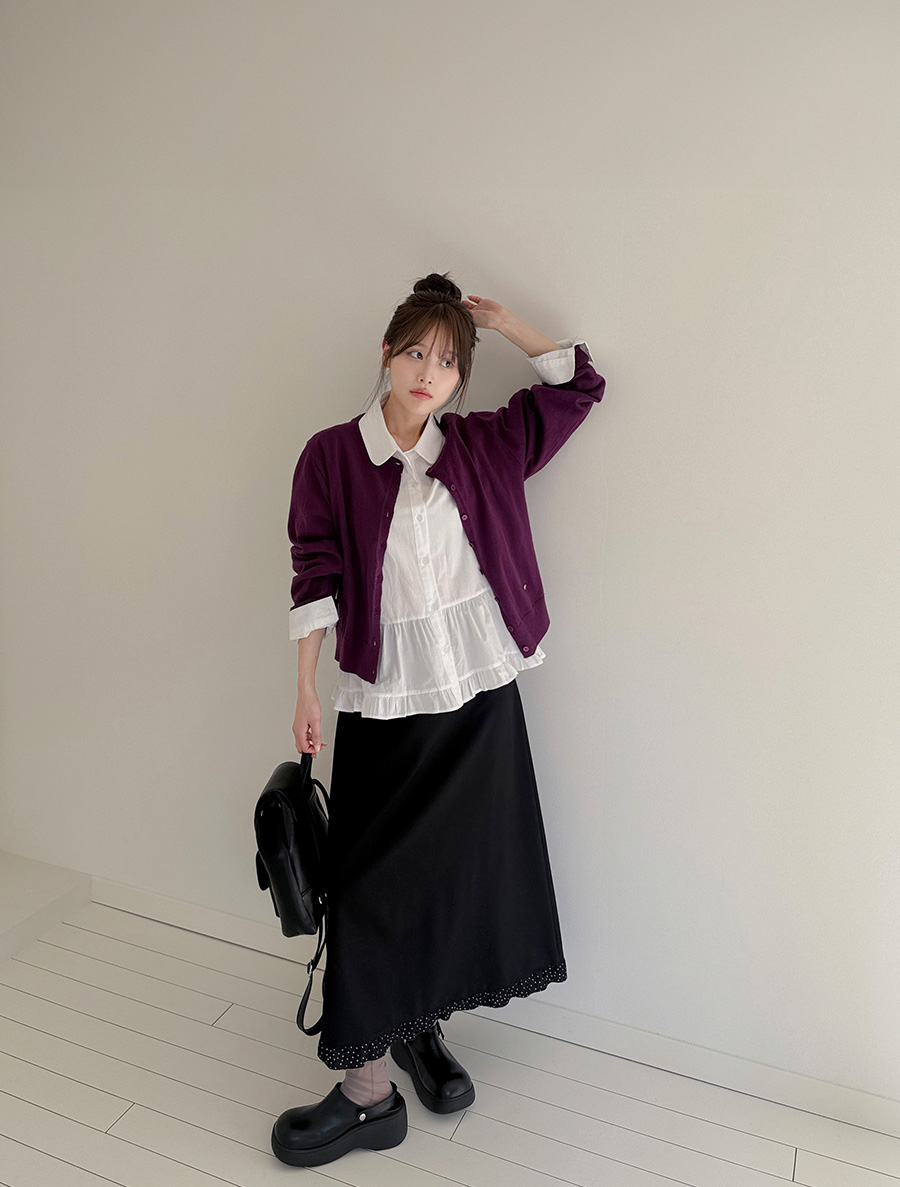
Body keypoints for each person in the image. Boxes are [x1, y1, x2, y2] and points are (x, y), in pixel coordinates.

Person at [271, 272, 606, 1167]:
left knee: (461, 876)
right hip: (385, 701)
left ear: (463, 376)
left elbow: (579, 386)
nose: (430, 372)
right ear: (386, 352)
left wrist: (503, 322)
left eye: (450, 361)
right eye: (417, 351)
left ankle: (418, 1029)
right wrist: (305, 690)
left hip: (481, 697)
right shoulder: (331, 457)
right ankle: (367, 1092)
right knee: (371, 886)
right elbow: (313, 573)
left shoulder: (485, 443)